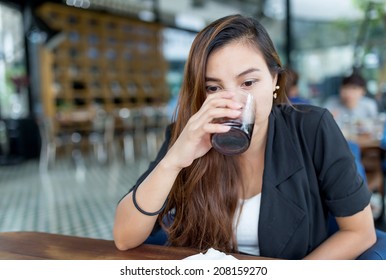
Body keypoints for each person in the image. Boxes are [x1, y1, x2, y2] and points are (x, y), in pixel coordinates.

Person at [113, 15, 376, 260]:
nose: (234, 103)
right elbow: (125, 238)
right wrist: (173, 161)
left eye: (248, 83)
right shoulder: (187, 135)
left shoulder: (311, 127)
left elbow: (360, 232)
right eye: (214, 88)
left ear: (274, 79)